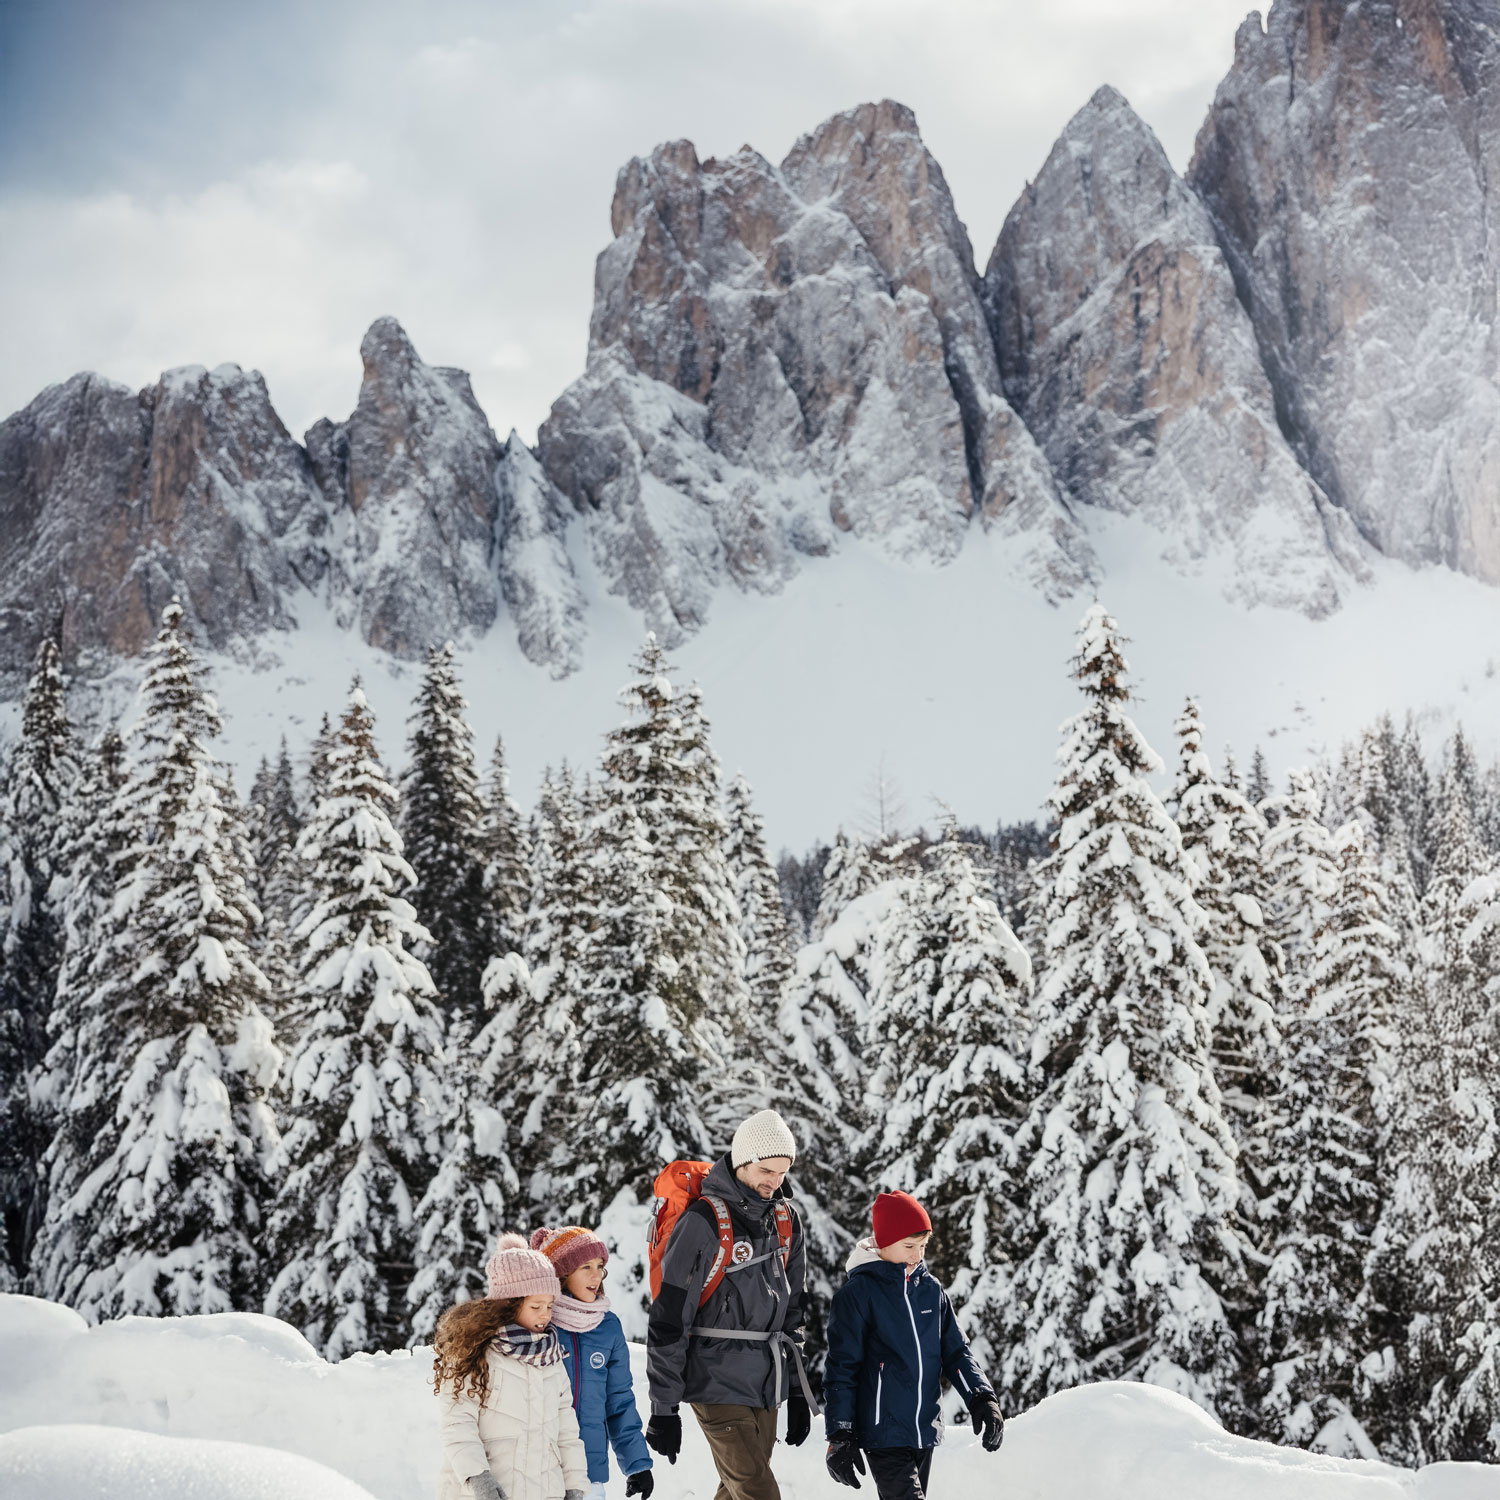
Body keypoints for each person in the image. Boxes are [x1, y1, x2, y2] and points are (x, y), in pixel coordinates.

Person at [645, 1108, 815, 1500]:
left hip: (765, 1383)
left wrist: (795, 1389)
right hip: (714, 1380)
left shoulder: (787, 1221)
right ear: (742, 1161)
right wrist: (663, 1407)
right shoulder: (704, 1221)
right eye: (766, 1171)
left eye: (782, 1172)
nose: (774, 1182)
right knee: (758, 1493)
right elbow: (669, 1317)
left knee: (736, 1491)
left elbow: (793, 1314)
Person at [822, 1191, 1005, 1500]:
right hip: (882, 1432)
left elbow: (956, 1352)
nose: (916, 1255)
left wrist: (981, 1399)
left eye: (922, 1246)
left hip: (923, 1428)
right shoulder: (857, 1295)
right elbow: (842, 1367)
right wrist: (840, 1433)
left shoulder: (931, 1291)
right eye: (908, 1246)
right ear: (883, 1243)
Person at [432, 1232, 591, 1500]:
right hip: (488, 1491)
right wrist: (478, 1477)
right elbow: (458, 1423)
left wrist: (575, 1484)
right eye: (536, 1306)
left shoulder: (552, 1359)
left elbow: (567, 1431)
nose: (545, 1315)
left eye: (550, 1306)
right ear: (509, 1305)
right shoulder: (477, 1353)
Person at [531, 1224, 654, 1500]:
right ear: (561, 1274)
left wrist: (636, 1464)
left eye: (600, 1266)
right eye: (585, 1267)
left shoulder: (607, 1327)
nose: (596, 1275)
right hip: (537, 1470)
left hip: (589, 1473)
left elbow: (618, 1401)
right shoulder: (539, 1323)